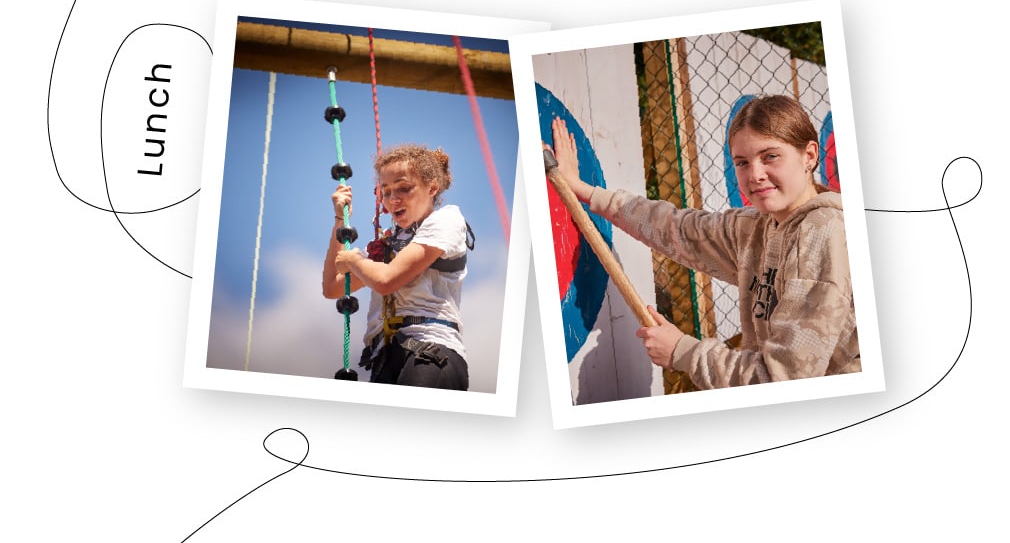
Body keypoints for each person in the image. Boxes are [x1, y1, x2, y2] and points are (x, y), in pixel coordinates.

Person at [548, 95, 860, 389]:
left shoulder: (823, 233)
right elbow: (676, 229)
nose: (756, 174)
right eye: (742, 162)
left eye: (770, 157)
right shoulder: (757, 227)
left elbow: (783, 382)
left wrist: (683, 351)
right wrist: (582, 189)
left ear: (809, 155)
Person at [322, 144, 472, 390]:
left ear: (432, 187)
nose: (393, 199)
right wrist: (340, 219)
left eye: (404, 188)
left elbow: (386, 281)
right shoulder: (387, 244)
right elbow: (332, 288)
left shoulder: (446, 219)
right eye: (386, 191)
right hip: (386, 361)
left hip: (430, 354)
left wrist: (354, 261)